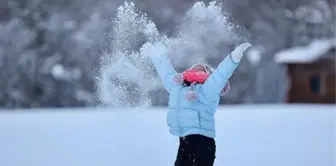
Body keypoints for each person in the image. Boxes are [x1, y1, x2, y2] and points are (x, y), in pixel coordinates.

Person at [141, 41, 252, 166]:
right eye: (194, 67)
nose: (198, 68)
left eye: (203, 68)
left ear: (209, 74)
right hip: (184, 141)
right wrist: (156, 54)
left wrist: (233, 58)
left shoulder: (209, 88)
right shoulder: (177, 86)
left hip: (204, 142)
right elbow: (165, 71)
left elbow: (221, 74)